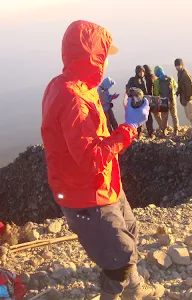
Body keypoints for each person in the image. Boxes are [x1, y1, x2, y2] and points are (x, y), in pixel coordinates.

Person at [41, 20, 164, 300]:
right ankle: (114, 293)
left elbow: (82, 136)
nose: (108, 61)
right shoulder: (75, 98)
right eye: (105, 55)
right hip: (86, 193)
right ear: (94, 58)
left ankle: (134, 289)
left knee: (128, 232)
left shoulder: (68, 85)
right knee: (118, 257)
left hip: (103, 183)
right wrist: (130, 127)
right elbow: (91, 158)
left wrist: (107, 110)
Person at [174, 58, 192, 139]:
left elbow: (190, 87)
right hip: (185, 98)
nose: (178, 67)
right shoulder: (180, 73)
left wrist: (188, 97)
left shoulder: (185, 74)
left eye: (179, 65)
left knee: (191, 114)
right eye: (176, 66)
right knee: (188, 115)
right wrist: (177, 93)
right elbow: (181, 85)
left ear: (182, 65)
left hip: (189, 98)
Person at [126, 65, 155, 138]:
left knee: (148, 117)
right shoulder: (133, 80)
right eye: (140, 72)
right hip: (138, 102)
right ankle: (138, 133)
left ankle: (150, 132)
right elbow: (128, 88)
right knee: (139, 118)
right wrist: (132, 92)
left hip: (145, 101)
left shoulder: (145, 79)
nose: (142, 73)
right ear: (137, 72)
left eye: (143, 71)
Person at [153, 66, 179, 136]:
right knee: (174, 116)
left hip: (164, 102)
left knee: (164, 117)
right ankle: (176, 130)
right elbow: (175, 86)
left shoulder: (157, 82)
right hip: (172, 100)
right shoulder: (170, 78)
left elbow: (156, 93)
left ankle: (164, 131)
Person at [143, 64, 163, 129]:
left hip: (153, 98)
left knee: (156, 114)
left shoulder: (148, 78)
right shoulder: (153, 76)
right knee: (159, 114)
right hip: (158, 96)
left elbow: (150, 88)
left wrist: (150, 98)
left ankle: (162, 127)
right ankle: (164, 126)